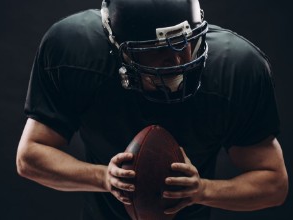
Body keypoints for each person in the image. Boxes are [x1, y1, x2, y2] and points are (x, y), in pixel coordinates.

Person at [16, 0, 288, 219]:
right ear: (118, 48)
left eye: (186, 42)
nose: (178, 59)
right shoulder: (75, 52)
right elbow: (30, 156)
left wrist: (202, 190)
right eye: (158, 49)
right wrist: (103, 177)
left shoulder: (235, 70)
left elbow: (274, 184)